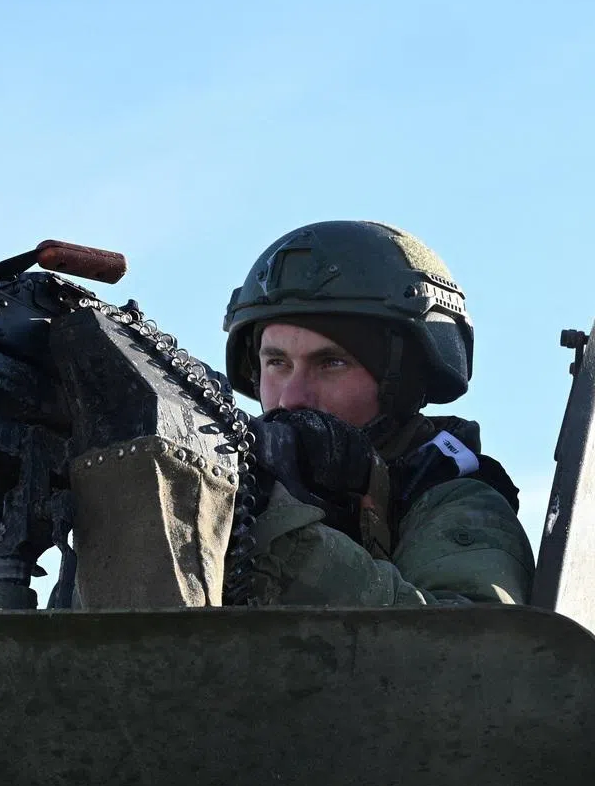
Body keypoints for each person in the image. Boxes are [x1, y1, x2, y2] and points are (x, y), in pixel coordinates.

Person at [223, 219, 534, 606]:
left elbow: (473, 649)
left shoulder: (453, 503)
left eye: (331, 363)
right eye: (276, 363)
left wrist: (283, 535)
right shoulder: (235, 484)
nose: (292, 398)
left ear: (400, 382)